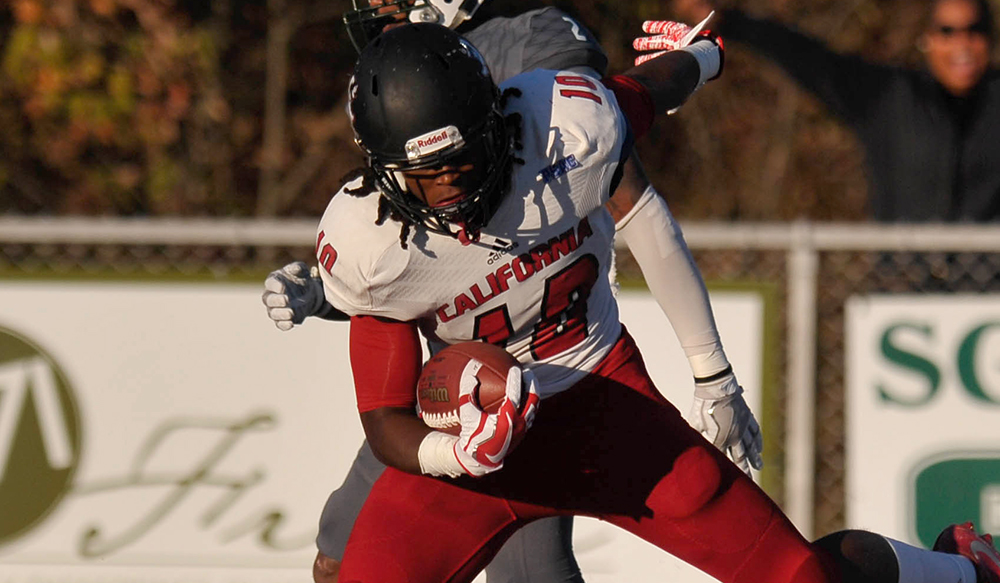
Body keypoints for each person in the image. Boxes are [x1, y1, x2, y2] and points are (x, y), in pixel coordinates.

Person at [309, 21, 1000, 583]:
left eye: (462, 163)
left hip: (604, 407)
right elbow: (384, 419)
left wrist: (702, 53)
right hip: (474, 449)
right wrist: (457, 454)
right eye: (429, 177)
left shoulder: (563, 128)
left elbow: (646, 91)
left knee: (800, 577)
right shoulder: (371, 244)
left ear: (496, 123)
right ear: (385, 171)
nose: (454, 190)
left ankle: (962, 569)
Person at [264, 3, 764, 582]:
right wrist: (329, 294)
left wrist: (697, 60)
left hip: (551, 363)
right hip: (462, 377)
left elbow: (629, 192)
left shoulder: (538, 49)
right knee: (340, 554)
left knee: (528, 576)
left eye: (391, 3)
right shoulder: (403, 72)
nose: (378, 14)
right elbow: (420, 273)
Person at [672, 0, 1000, 222]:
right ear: (928, 38)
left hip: (988, 291)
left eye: (976, 30)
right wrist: (727, 21)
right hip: (903, 288)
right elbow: (807, 57)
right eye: (948, 31)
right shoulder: (890, 97)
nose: (963, 43)